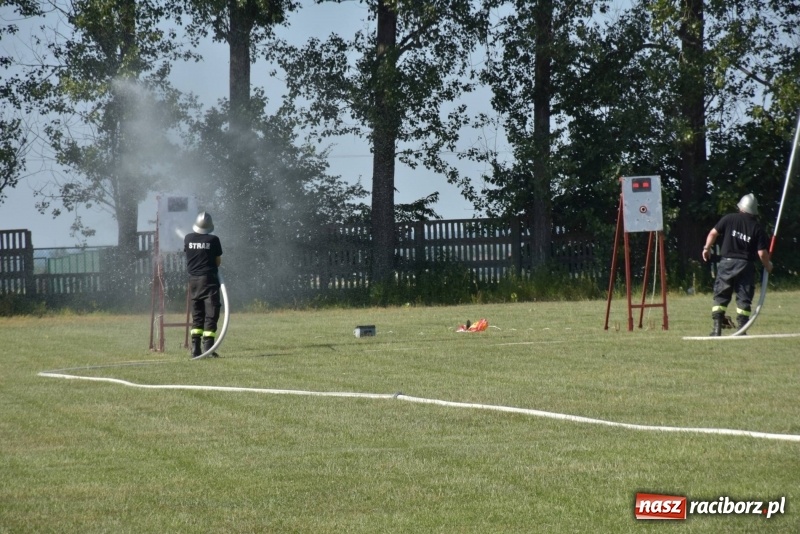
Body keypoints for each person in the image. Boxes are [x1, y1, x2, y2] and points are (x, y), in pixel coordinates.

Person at [701, 194, 773, 336]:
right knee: (744, 297)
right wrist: (768, 265)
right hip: (745, 266)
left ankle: (716, 329)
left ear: (741, 207)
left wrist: (706, 248)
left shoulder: (729, 218)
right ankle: (742, 330)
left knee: (721, 295)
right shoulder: (757, 227)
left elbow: (713, 233)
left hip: (726, 263)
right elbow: (762, 254)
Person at [184, 211, 223, 358]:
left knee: (198, 314)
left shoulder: (188, 238)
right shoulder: (213, 240)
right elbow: (217, 262)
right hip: (209, 281)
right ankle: (208, 348)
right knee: (211, 313)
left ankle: (195, 349)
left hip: (193, 281)